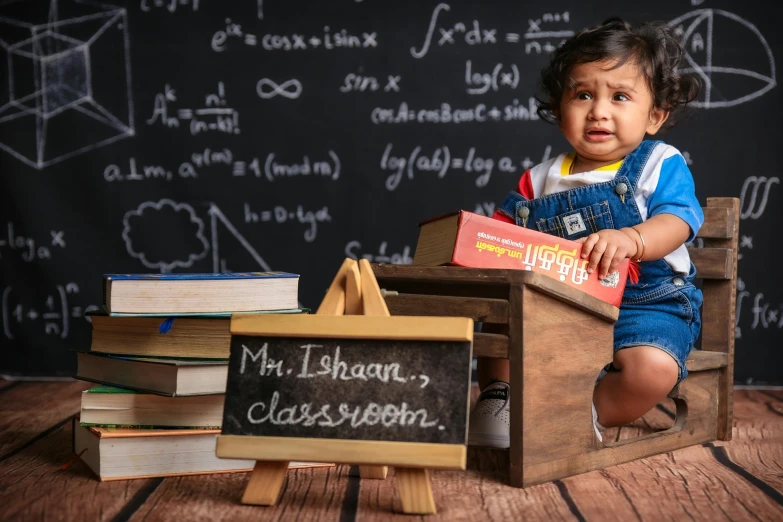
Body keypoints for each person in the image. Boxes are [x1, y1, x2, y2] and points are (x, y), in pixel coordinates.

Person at [468, 17, 703, 448]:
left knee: (652, 367)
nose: (598, 110)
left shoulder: (658, 163)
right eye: (582, 95)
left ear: (654, 115)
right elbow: (500, 238)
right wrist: (477, 248)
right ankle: (500, 396)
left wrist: (634, 239)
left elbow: (678, 221)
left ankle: (582, 413)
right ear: (559, 112)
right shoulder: (539, 179)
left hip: (646, 302)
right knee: (501, 323)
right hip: (556, 304)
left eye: (619, 96)